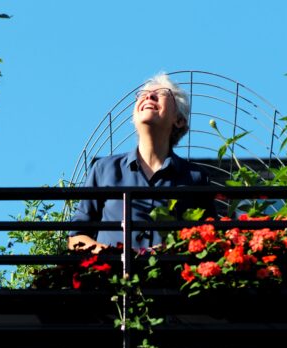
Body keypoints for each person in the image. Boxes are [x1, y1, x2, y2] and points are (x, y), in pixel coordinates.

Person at [68, 73, 216, 253]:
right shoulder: (103, 169)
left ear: (179, 120)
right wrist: (117, 258)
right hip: (111, 278)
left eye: (161, 93)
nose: (149, 96)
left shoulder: (195, 178)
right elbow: (76, 237)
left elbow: (208, 240)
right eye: (143, 94)